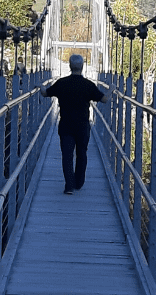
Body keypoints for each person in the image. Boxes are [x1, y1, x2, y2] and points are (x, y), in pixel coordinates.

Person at [41, 54, 107, 195]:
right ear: (82, 67)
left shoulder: (61, 83)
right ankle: (79, 182)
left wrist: (41, 87)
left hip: (66, 125)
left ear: (70, 66)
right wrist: (112, 89)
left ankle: (69, 186)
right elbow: (104, 99)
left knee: (67, 155)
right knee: (81, 153)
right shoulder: (88, 85)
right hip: (82, 126)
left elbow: (45, 94)